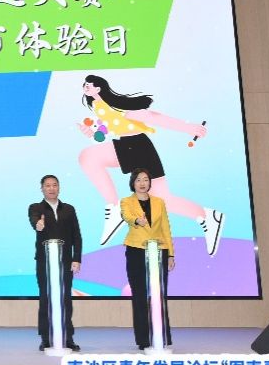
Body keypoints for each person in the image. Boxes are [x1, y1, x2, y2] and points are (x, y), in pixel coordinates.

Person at [78, 75, 224, 255]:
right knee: (89, 157)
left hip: (137, 146)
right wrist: (92, 132)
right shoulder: (99, 106)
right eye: (85, 85)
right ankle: (208, 216)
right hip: (128, 145)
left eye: (89, 85)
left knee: (163, 200)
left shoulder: (115, 105)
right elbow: (109, 127)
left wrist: (188, 128)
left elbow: (152, 117)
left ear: (98, 88)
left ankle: (207, 217)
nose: (85, 87)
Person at [121, 168, 175, 350]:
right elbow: (127, 216)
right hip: (136, 251)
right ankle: (143, 339)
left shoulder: (159, 202)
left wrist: (171, 253)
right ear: (133, 183)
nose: (142, 183)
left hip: (158, 251)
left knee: (159, 295)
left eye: (145, 179)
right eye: (138, 180)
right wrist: (137, 220)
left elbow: (166, 228)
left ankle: (162, 337)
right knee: (140, 295)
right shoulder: (126, 201)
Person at [28, 175, 82, 352]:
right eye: (47, 185)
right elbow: (34, 220)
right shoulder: (36, 208)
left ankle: (68, 337)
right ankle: (46, 338)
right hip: (44, 261)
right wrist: (38, 224)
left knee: (65, 298)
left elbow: (76, 235)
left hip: (65, 261)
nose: (51, 188)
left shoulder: (69, 209)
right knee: (46, 297)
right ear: (42, 188)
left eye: (54, 185)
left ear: (59, 188)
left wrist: (76, 258)